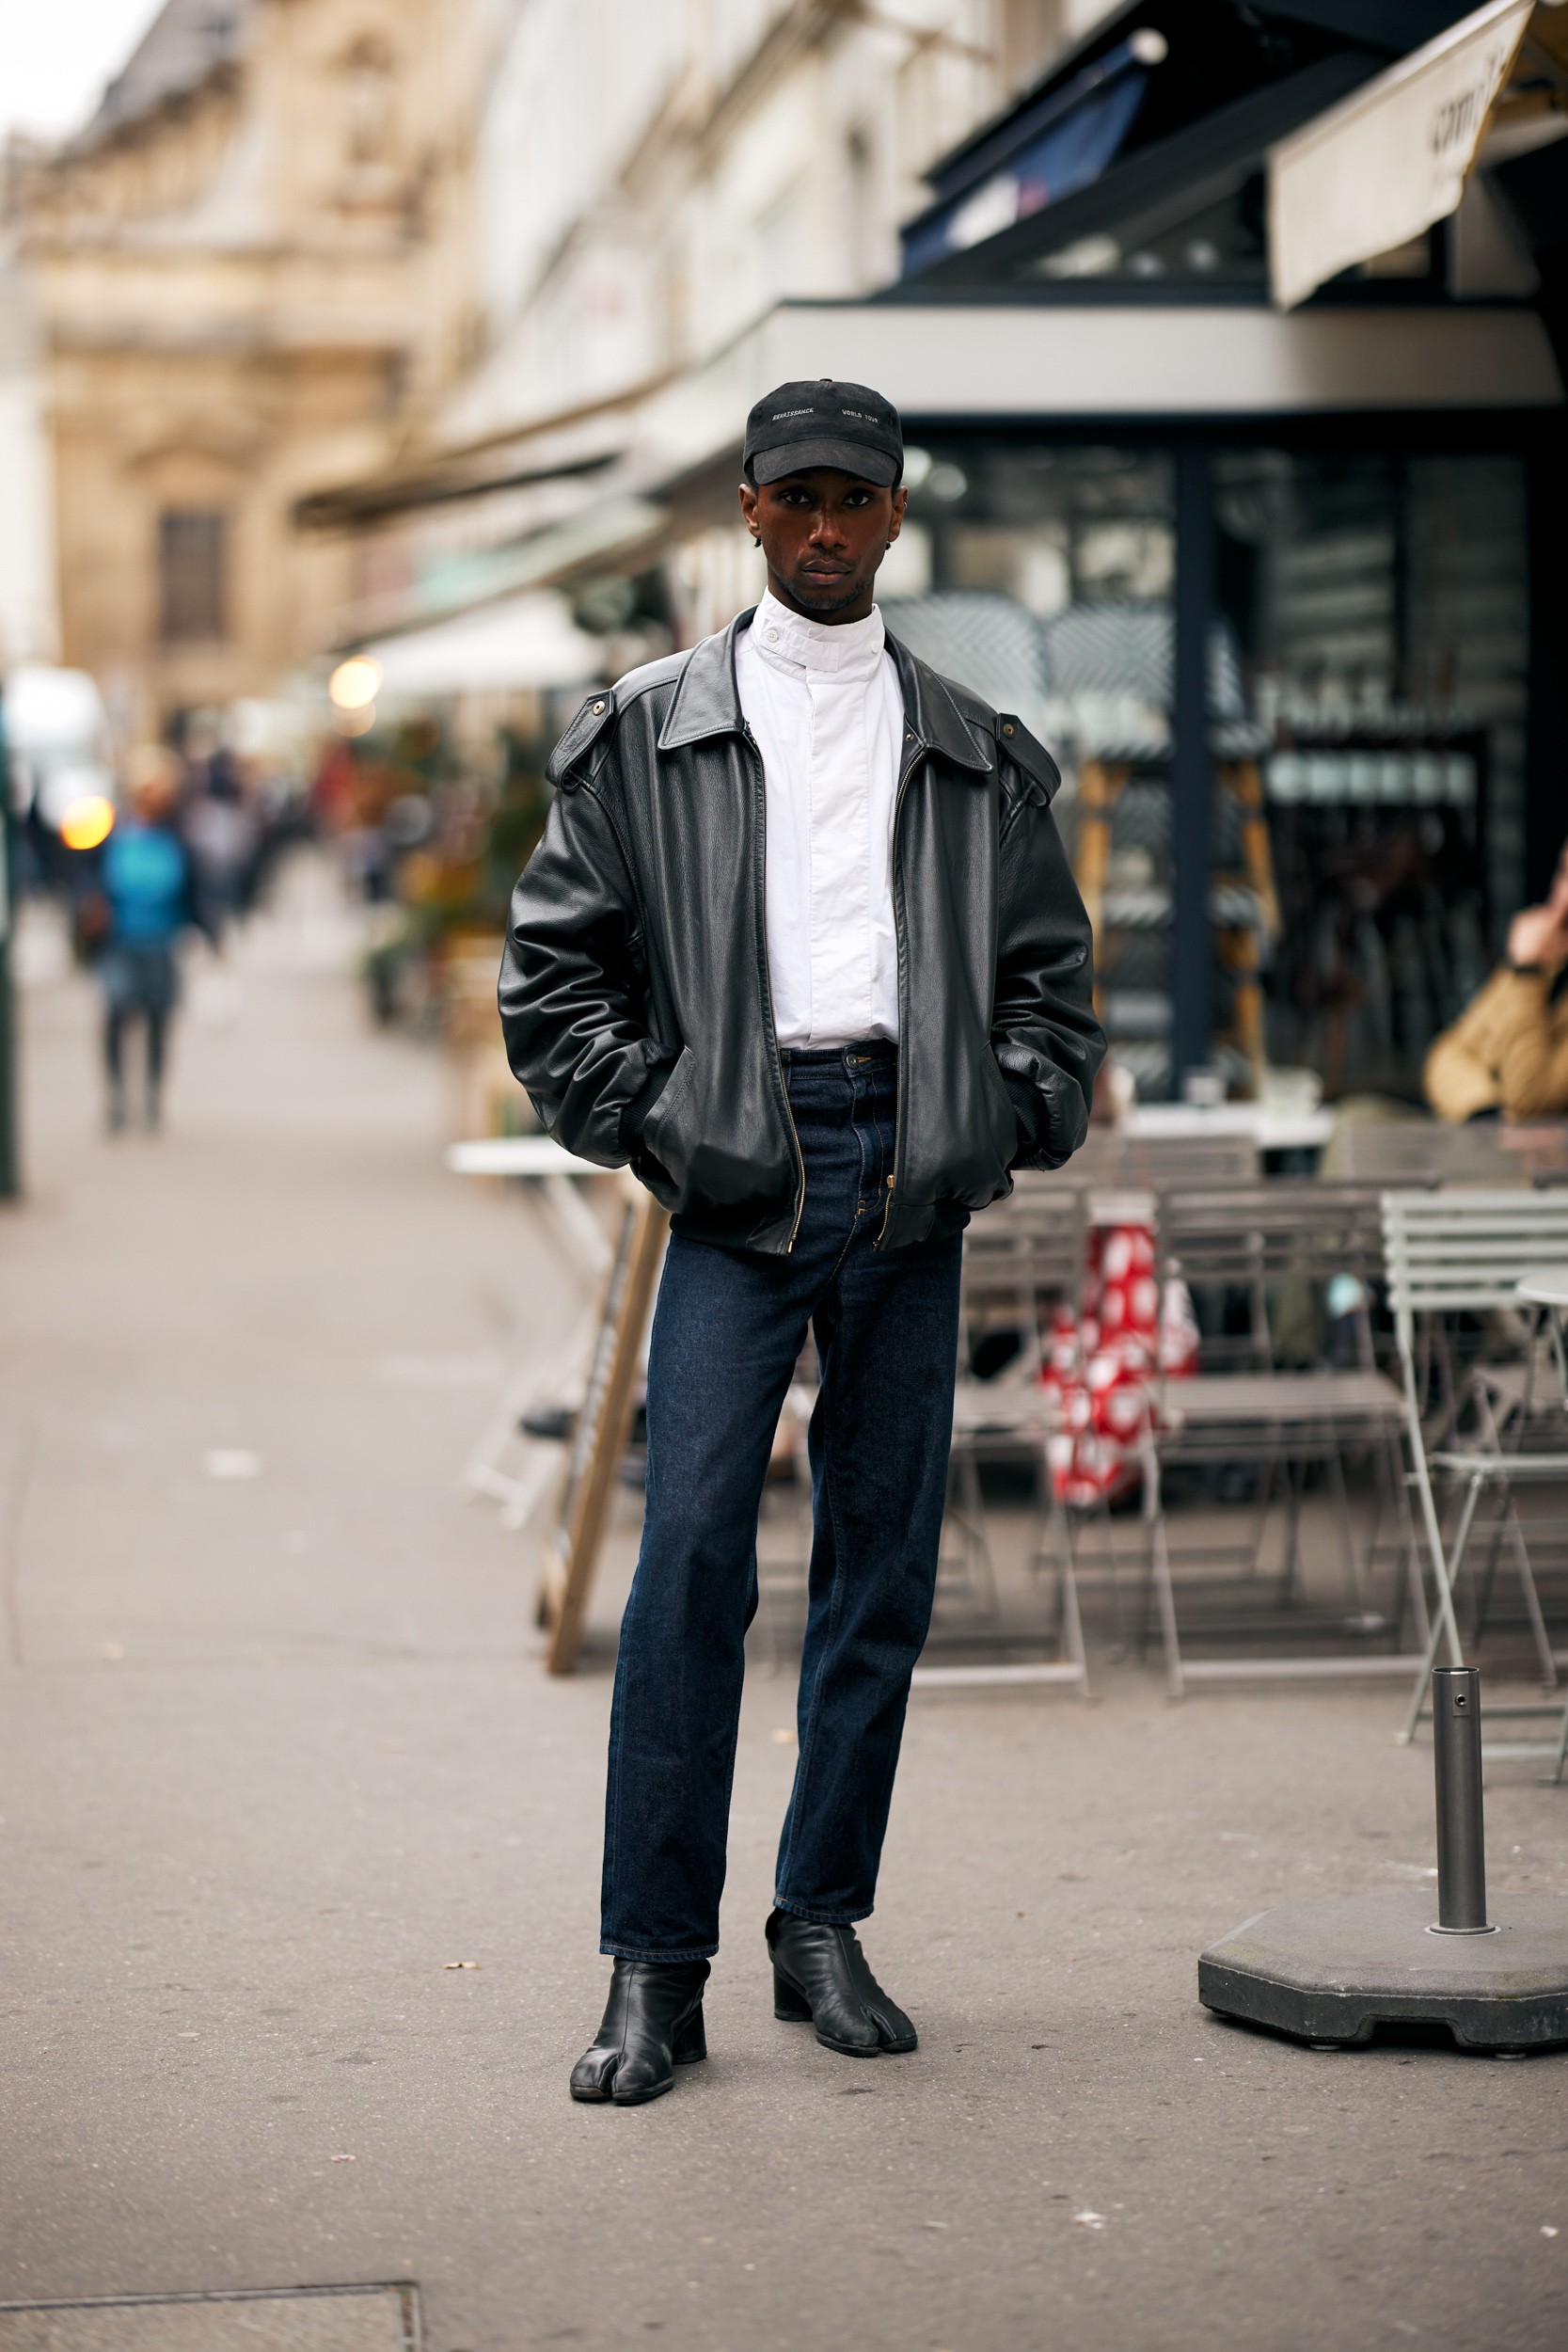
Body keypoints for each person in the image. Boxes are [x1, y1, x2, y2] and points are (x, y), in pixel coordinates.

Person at [499, 378, 1104, 2106]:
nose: (828, 526)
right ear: (750, 516)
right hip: (739, 1177)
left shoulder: (976, 750)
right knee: (688, 1557)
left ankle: (819, 1920)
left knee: (878, 1573)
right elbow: (552, 982)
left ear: (897, 517)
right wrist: (666, 1120)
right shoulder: (646, 733)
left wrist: (997, 1120)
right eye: (798, 498)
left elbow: (1054, 998)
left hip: (912, 1174)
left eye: (859, 498)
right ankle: (652, 1965)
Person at [94, 745, 212, 1132]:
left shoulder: (178, 837)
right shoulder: (111, 833)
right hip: (120, 939)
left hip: (162, 939)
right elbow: (89, 881)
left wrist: (211, 935)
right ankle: (116, 1099)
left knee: (159, 1023)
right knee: (115, 1017)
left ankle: (152, 1100)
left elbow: (196, 890)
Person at [1424, 835, 1568, 1121]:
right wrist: (1486, 1111)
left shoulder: (1532, 967)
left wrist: (1527, 973)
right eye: (1564, 873)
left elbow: (1531, 1098)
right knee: (1357, 1116)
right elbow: (1447, 1054)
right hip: (1488, 1136)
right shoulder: (1548, 962)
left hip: (1544, 1158)